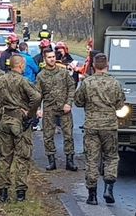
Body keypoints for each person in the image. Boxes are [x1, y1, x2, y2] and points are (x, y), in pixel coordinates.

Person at [0, 55, 41, 202]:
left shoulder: (1, 80)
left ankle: (3, 190)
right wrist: (30, 113)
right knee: (22, 157)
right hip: (20, 121)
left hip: (5, 120)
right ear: (21, 65)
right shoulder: (23, 81)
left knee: (5, 156)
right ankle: (20, 191)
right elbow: (36, 97)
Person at [74, 53, 126, 205]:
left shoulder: (87, 83)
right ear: (107, 65)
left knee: (92, 158)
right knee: (111, 157)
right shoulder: (114, 83)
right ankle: (108, 188)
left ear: (94, 65)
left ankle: (92, 195)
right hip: (109, 125)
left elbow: (78, 101)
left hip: (91, 125)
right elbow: (120, 104)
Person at [36, 49, 78, 172]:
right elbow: (38, 94)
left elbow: (71, 87)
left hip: (64, 108)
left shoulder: (63, 72)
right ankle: (51, 161)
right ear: (45, 59)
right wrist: (38, 109)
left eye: (53, 57)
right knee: (48, 136)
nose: (52, 59)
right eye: (49, 57)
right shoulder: (41, 76)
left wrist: (69, 103)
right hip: (49, 109)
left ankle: (70, 161)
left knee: (68, 135)